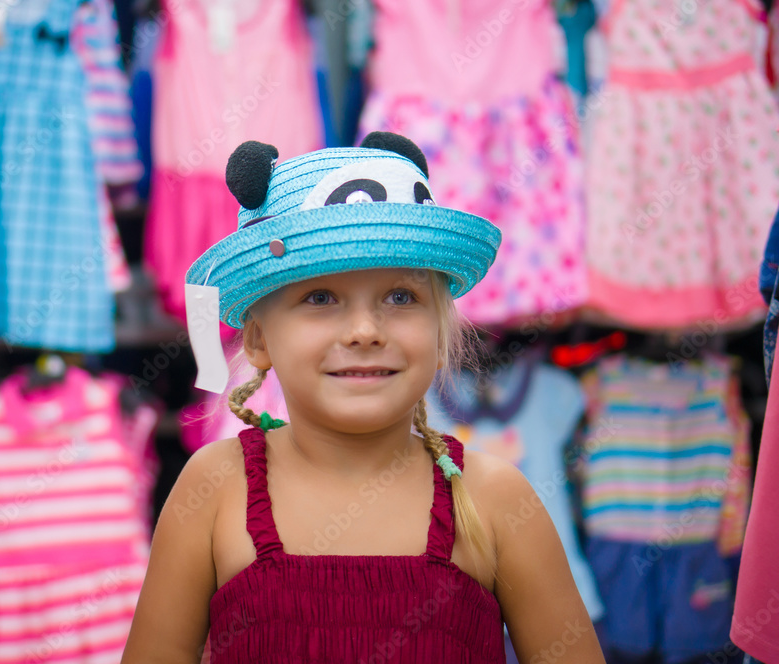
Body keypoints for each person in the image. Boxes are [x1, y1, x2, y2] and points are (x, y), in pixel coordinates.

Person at [122, 132, 605, 663]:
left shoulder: (495, 499)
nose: (364, 330)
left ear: (440, 332)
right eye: (320, 297)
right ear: (258, 339)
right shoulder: (214, 490)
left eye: (401, 297)